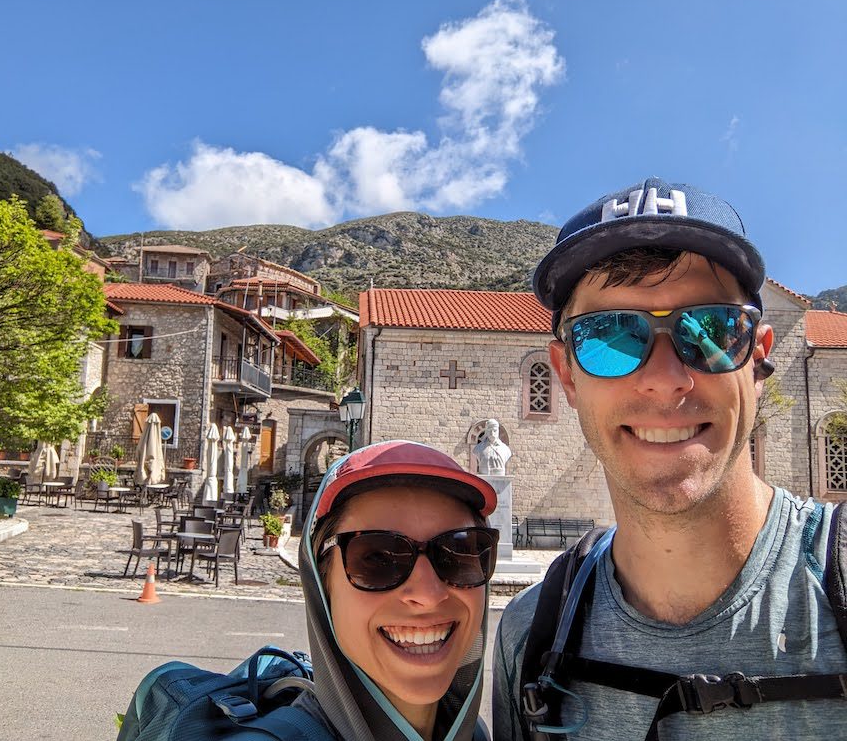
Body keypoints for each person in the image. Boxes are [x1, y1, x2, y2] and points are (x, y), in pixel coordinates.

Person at [493, 178, 847, 739]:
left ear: (757, 361)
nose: (664, 380)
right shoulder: (531, 639)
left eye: (709, 330)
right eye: (610, 336)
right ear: (565, 374)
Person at [297, 440, 500, 741]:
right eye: (378, 557)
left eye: (458, 552)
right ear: (322, 587)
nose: (428, 594)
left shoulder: (477, 735)